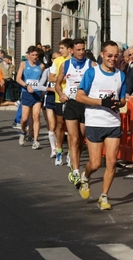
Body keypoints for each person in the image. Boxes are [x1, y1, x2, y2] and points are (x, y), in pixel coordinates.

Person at [75, 40, 126, 210]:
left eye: (115, 56)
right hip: (95, 121)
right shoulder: (92, 73)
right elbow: (80, 97)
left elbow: (123, 99)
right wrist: (101, 102)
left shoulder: (121, 75)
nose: (113, 59)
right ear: (102, 55)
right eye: (109, 55)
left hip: (113, 122)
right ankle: (86, 176)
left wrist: (118, 103)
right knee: (95, 164)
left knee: (111, 162)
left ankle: (104, 197)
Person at [55, 38, 96, 186]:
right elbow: (57, 84)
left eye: (82, 49)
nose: (81, 52)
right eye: (78, 50)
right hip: (71, 103)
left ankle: (74, 160)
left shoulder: (91, 65)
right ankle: (76, 171)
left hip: (85, 105)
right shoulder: (65, 65)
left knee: (81, 138)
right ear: (71, 50)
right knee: (73, 138)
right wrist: (61, 94)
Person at [15, 45, 45, 149]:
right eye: (33, 55)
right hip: (26, 93)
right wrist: (27, 86)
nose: (35, 57)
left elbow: (43, 80)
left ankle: (35, 140)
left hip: (37, 93)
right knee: (24, 118)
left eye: (36, 55)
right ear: (28, 56)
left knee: (36, 116)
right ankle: (23, 132)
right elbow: (18, 79)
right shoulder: (24, 64)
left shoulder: (41, 66)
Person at [49, 38, 73, 166]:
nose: (60, 50)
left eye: (62, 48)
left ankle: (70, 153)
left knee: (71, 127)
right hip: (60, 97)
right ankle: (59, 150)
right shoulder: (58, 61)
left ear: (70, 49)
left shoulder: (75, 61)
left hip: (73, 98)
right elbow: (50, 77)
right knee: (60, 124)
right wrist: (61, 78)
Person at [41, 51, 60, 158]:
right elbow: (39, 86)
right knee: (52, 125)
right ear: (51, 60)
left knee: (60, 126)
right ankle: (53, 149)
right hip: (50, 99)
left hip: (60, 99)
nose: (56, 60)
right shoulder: (48, 71)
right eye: (54, 58)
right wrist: (50, 89)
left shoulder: (65, 70)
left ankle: (59, 145)